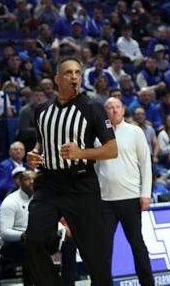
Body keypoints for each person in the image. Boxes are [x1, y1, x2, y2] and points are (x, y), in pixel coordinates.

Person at [24, 56, 118, 286]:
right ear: (57, 79)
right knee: (33, 240)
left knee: (95, 255)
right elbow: (41, 141)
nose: (74, 76)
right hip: (48, 183)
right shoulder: (42, 110)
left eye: (77, 72)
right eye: (68, 73)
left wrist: (81, 153)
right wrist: (34, 155)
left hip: (81, 184)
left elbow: (112, 149)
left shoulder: (93, 108)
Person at [96, 96, 154, 286]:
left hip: (130, 197)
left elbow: (146, 164)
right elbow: (94, 168)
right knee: (103, 248)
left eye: (117, 107)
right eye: (110, 108)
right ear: (105, 111)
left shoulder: (135, 132)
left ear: (123, 110)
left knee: (137, 244)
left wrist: (145, 193)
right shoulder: (96, 134)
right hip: (104, 200)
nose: (113, 111)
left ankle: (147, 283)